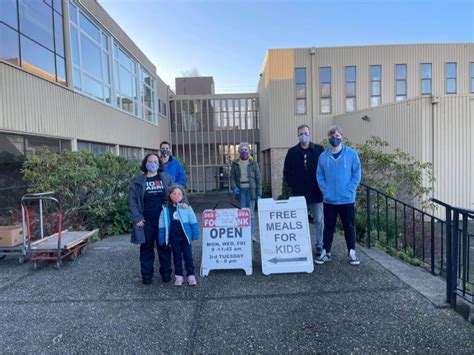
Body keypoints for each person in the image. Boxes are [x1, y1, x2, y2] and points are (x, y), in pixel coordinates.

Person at [128, 153, 188, 285]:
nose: (153, 163)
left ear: (159, 164)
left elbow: (177, 191)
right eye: (150, 161)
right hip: (145, 221)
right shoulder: (138, 181)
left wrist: (184, 202)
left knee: (164, 247)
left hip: (164, 221)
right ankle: (147, 276)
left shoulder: (166, 178)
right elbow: (131, 200)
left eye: (155, 161)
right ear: (145, 163)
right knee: (146, 249)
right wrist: (137, 217)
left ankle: (166, 274)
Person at [315, 126, 361, 266]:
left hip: (347, 199)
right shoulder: (323, 156)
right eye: (331, 136)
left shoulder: (351, 154)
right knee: (328, 227)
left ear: (342, 136)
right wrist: (326, 191)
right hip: (329, 200)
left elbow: (356, 174)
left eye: (337, 135)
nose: (334, 138)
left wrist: (349, 190)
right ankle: (326, 252)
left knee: (349, 227)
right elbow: (320, 175)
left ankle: (351, 252)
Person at [283, 124, 325, 255]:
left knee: (319, 220)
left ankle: (320, 244)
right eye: (301, 133)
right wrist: (294, 185)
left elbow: (325, 168)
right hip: (299, 193)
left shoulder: (319, 149)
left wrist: (322, 185)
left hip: (316, 192)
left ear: (310, 134)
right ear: (298, 135)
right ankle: (300, 245)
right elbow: (286, 172)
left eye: (306, 133)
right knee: (299, 221)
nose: (303, 136)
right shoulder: (292, 152)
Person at [158, 186, 199, 286]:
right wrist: (161, 238)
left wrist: (194, 234)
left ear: (183, 196)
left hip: (185, 238)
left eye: (179, 194)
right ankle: (179, 277)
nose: (177, 196)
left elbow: (193, 221)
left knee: (188, 257)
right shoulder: (165, 209)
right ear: (170, 195)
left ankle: (191, 276)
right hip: (174, 238)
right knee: (176, 257)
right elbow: (162, 225)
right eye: (174, 193)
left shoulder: (187, 207)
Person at [230, 142, 262, 242]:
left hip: (251, 190)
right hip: (241, 191)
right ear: (239, 151)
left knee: (251, 213)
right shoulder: (235, 163)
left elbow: (258, 178)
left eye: (246, 150)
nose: (244, 152)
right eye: (242, 150)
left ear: (249, 151)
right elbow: (232, 178)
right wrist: (234, 186)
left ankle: (252, 234)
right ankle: (244, 233)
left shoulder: (253, 163)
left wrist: (259, 194)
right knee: (243, 213)